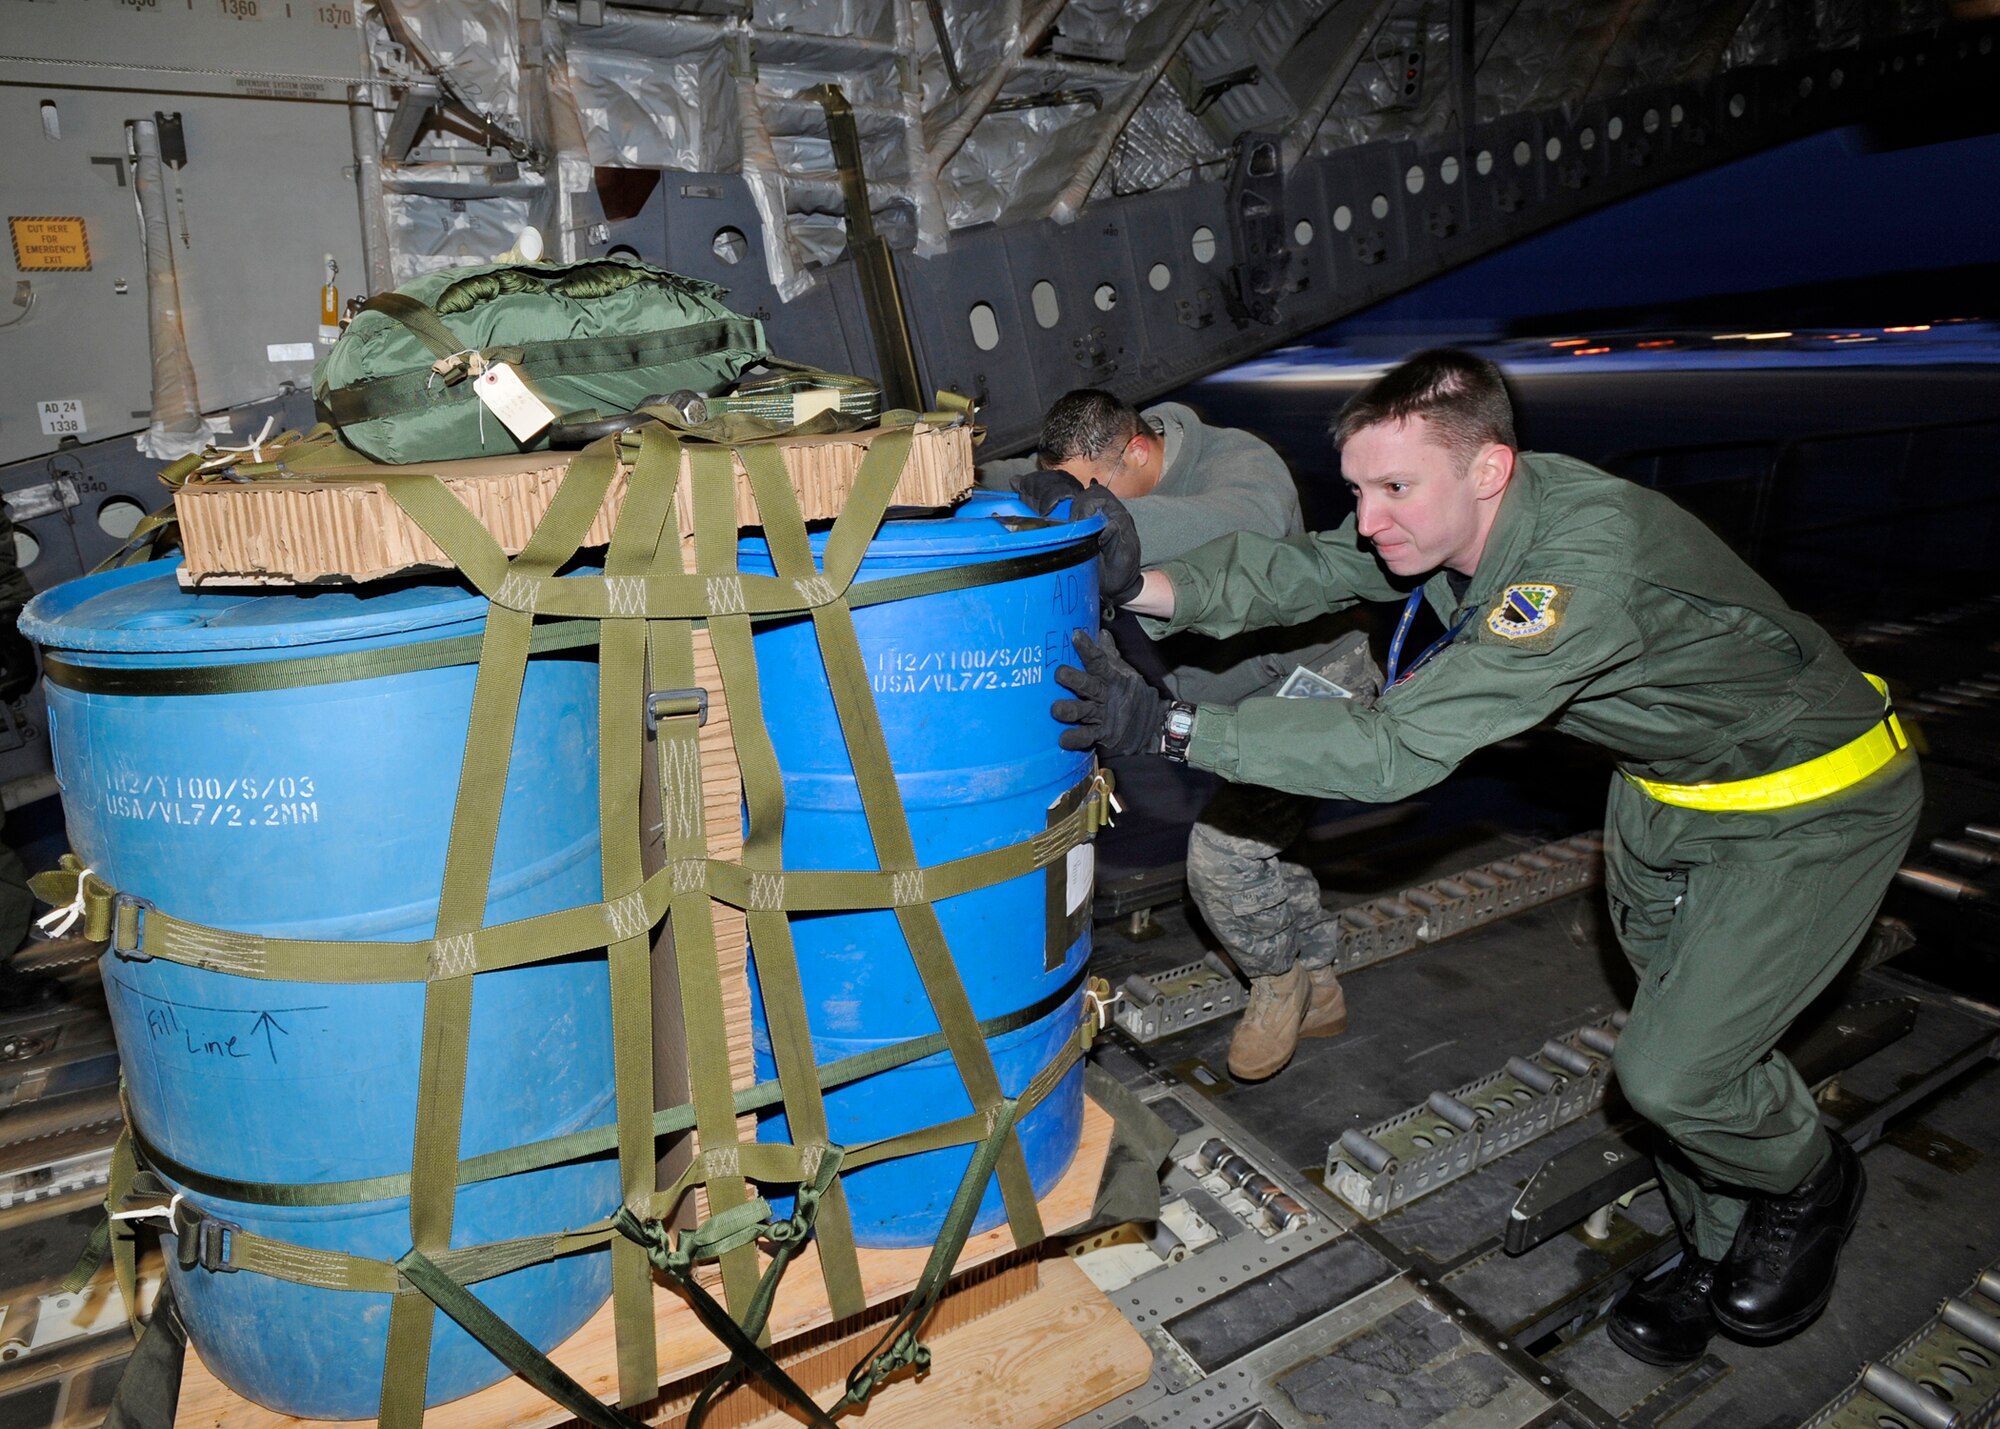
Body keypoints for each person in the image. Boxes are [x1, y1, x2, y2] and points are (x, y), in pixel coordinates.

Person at [1050, 350, 1920, 1363]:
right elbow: (1315, 563)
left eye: (1393, 489)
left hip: (1808, 804)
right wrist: (1144, 580)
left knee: (1674, 1074)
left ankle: (1806, 1182)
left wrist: (1171, 728)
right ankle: (1713, 1245)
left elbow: (1395, 745)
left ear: (1488, 468)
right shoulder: (1464, 517)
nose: (1371, 518)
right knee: (1703, 1046)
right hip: (1664, 795)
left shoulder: (1572, 570)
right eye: (1360, 488)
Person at [982, 390, 1381, 1081]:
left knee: (1222, 855)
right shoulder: (1108, 462)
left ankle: (1278, 982)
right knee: (1265, 845)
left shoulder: (1242, 464)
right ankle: (1321, 986)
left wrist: (1097, 517)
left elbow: (1239, 525)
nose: (1092, 509)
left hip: (1318, 684)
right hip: (1234, 705)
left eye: (1097, 494)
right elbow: (1021, 481)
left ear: (1139, 451)